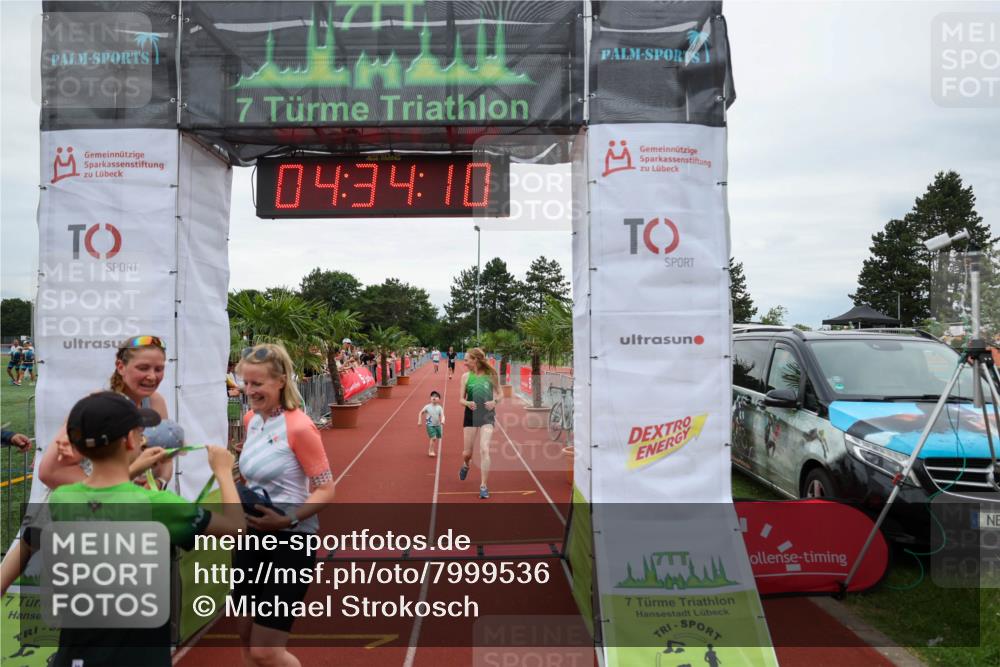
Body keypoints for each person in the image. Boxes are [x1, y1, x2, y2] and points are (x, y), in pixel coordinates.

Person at [1, 391, 244, 665]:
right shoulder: (158, 503)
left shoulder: (62, 499)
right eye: (141, 431)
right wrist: (223, 471)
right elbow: (236, 529)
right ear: (131, 440)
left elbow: (95, 498)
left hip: (76, 655)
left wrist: (134, 467)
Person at [234, 343, 336, 667]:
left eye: (257, 383)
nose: (249, 390)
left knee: (267, 650)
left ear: (280, 381)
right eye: (245, 383)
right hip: (251, 537)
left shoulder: (300, 426)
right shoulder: (251, 419)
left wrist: (286, 519)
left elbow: (326, 490)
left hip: (291, 540)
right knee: (245, 633)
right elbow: (254, 478)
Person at [39, 335, 172, 489]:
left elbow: (166, 457)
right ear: (121, 366)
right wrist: (114, 492)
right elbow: (50, 471)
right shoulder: (98, 405)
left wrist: (159, 482)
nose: (152, 376)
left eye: (159, 369)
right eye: (143, 368)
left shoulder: (155, 402)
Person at [458, 348, 502, 499]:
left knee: (484, 449)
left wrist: (494, 401)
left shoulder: (490, 375)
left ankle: (483, 485)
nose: (464, 363)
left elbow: (500, 393)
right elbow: (460, 399)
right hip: (470, 415)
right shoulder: (465, 377)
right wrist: (467, 402)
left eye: (466, 360)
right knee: (467, 453)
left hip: (486, 416)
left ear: (475, 360)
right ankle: (466, 465)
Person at [418, 390, 445, 457]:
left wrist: (442, 420)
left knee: (436, 438)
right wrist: (419, 420)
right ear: (430, 398)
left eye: (436, 396)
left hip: (437, 425)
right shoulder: (427, 406)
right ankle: (431, 451)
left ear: (439, 399)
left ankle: (431, 450)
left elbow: (442, 415)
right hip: (429, 425)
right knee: (433, 438)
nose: (434, 397)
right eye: (432, 396)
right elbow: (421, 412)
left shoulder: (439, 408)